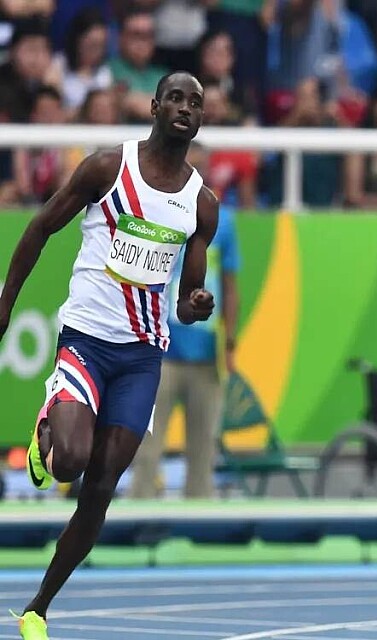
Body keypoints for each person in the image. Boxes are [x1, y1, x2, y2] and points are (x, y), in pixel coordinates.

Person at [0, 71, 217, 640]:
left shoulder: (202, 204)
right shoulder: (107, 169)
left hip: (141, 357)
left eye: (196, 103)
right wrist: (5, 304)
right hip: (87, 341)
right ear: (154, 106)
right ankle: (48, 428)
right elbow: (41, 227)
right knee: (69, 463)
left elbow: (187, 303)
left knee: (99, 488)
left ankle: (38, 608)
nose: (185, 108)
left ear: (201, 119)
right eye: (175, 98)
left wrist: (197, 304)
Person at [130, 142, 240, 500]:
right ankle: (138, 515)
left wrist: (230, 342)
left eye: (201, 167)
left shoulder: (224, 221)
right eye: (189, 166)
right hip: (159, 349)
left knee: (203, 451)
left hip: (206, 354)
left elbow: (230, 285)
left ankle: (201, 519)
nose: (196, 174)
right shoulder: (155, 211)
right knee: (146, 447)